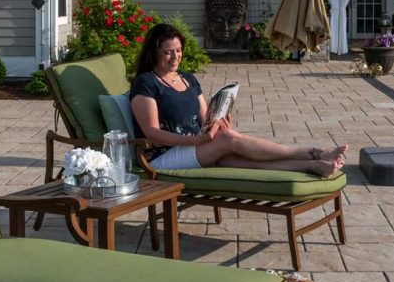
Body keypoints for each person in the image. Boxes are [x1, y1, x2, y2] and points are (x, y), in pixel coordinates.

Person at [129, 23, 347, 175]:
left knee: (241, 157)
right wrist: (197, 141)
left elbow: (205, 119)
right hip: (161, 157)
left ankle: (313, 166)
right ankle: (313, 152)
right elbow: (152, 134)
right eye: (168, 52)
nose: (176, 56)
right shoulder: (146, 83)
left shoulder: (187, 79)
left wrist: (218, 124)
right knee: (230, 140)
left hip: (196, 147)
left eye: (178, 50)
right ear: (154, 53)